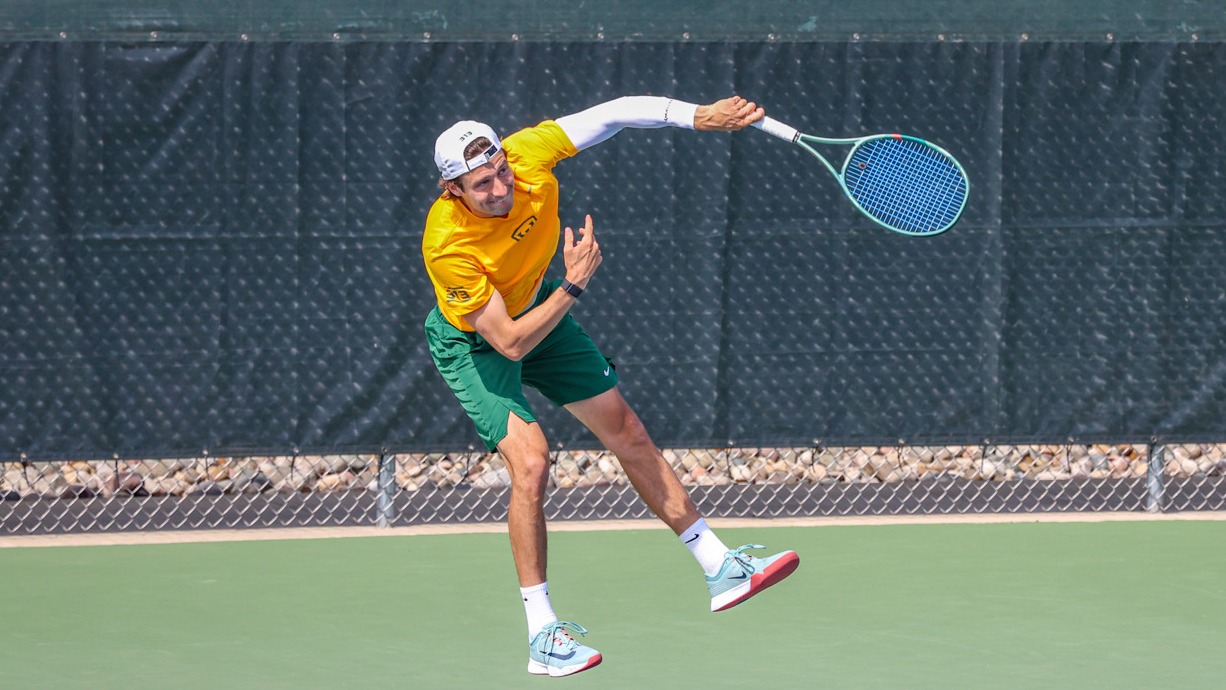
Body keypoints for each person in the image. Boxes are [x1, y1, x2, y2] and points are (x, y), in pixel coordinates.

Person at [421, 95, 799, 678]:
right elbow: (510, 344)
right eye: (482, 184)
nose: (500, 187)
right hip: (479, 342)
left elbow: (618, 111)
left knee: (627, 430)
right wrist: (571, 286)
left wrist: (699, 117)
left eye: (500, 171)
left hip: (538, 313)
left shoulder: (527, 157)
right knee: (532, 464)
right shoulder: (448, 245)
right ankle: (542, 634)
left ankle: (720, 567)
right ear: (454, 191)